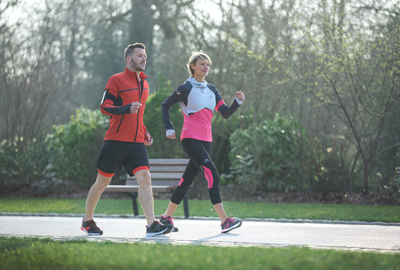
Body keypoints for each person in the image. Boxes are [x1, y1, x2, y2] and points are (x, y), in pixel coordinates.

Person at [81, 43, 173, 237]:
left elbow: (139, 114)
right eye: (139, 56)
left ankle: (151, 224)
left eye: (145, 56)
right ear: (129, 59)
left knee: (145, 179)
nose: (143, 59)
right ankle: (87, 221)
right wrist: (124, 108)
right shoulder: (116, 80)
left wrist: (145, 132)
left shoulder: (145, 83)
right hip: (115, 141)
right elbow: (104, 107)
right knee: (101, 183)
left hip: (137, 142)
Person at [159, 51, 245, 233]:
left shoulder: (212, 89)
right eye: (202, 64)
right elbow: (165, 105)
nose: (205, 67)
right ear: (193, 66)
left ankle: (166, 218)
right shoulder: (185, 87)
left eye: (208, 64)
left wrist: (237, 102)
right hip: (190, 139)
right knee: (212, 173)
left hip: (206, 141)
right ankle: (224, 220)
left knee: (186, 181)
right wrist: (169, 127)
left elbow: (225, 113)